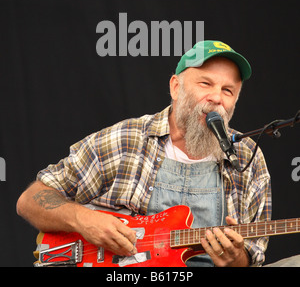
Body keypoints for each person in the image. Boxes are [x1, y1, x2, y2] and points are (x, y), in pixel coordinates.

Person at [17, 40, 272, 267]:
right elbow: (30, 200)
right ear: (176, 87)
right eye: (205, 83)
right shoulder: (126, 140)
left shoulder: (248, 157)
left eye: (228, 90)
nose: (216, 97)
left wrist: (234, 259)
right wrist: (84, 220)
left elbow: (252, 257)